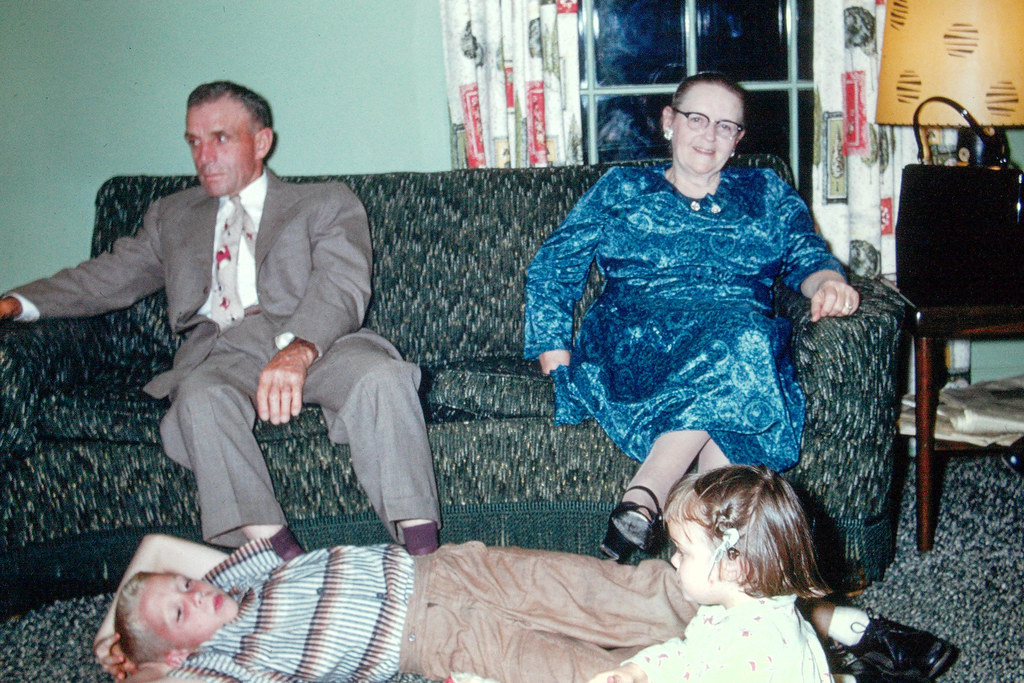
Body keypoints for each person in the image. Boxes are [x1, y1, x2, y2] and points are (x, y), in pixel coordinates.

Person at [0, 81, 440, 556]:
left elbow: (342, 284)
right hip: (225, 352)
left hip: (320, 339)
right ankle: (279, 565)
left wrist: (298, 350)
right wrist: (15, 303)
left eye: (220, 138)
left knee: (383, 378)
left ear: (262, 142)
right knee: (200, 399)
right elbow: (104, 278)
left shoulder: (324, 201)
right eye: (193, 141)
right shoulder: (171, 215)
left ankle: (423, 557)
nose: (203, 156)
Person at [523, 71, 859, 563]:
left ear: (738, 139)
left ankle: (665, 523)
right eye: (697, 119)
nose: (709, 135)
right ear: (668, 122)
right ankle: (668, 511)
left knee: (741, 339)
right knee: (741, 344)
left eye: (726, 126)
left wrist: (828, 282)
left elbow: (806, 258)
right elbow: (554, 267)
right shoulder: (622, 188)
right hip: (638, 336)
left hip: (738, 338)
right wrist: (555, 356)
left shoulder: (766, 192)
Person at [93, 527, 952, 683]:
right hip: (430, 635)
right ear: (178, 652)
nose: (195, 591)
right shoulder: (220, 663)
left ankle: (842, 622)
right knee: (605, 674)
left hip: (450, 568)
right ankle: (825, 672)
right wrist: (129, 661)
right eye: (180, 610)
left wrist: (151, 604)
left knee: (633, 590)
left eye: (188, 585)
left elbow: (159, 554)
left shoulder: (237, 578)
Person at [588, 464, 832, 682]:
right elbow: (689, 655)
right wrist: (638, 671)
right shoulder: (727, 609)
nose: (673, 559)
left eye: (683, 552)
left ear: (734, 566)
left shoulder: (754, 649)